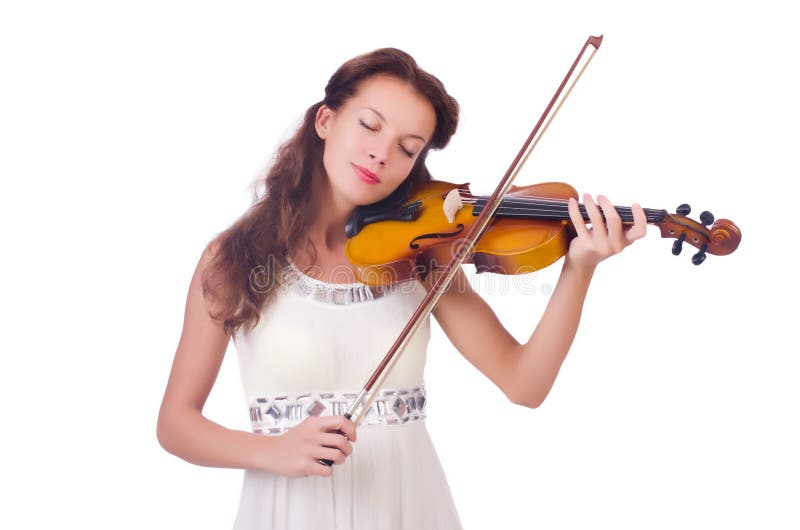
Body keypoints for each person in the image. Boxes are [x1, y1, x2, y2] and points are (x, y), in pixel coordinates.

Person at [156, 47, 646, 529]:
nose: (381, 153)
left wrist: (579, 268)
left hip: (410, 507)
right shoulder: (233, 258)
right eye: (369, 126)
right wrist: (271, 450)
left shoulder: (422, 258)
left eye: (408, 148)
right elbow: (176, 424)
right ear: (325, 122)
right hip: (288, 513)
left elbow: (524, 384)